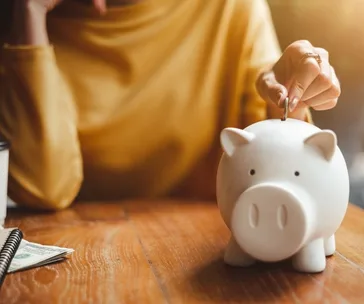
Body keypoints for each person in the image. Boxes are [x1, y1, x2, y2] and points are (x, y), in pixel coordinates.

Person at [0, 0, 341, 210]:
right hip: (78, 257)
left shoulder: (229, 7)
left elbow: (277, 159)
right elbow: (41, 189)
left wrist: (293, 103)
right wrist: (28, 13)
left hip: (205, 253)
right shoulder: (25, 25)